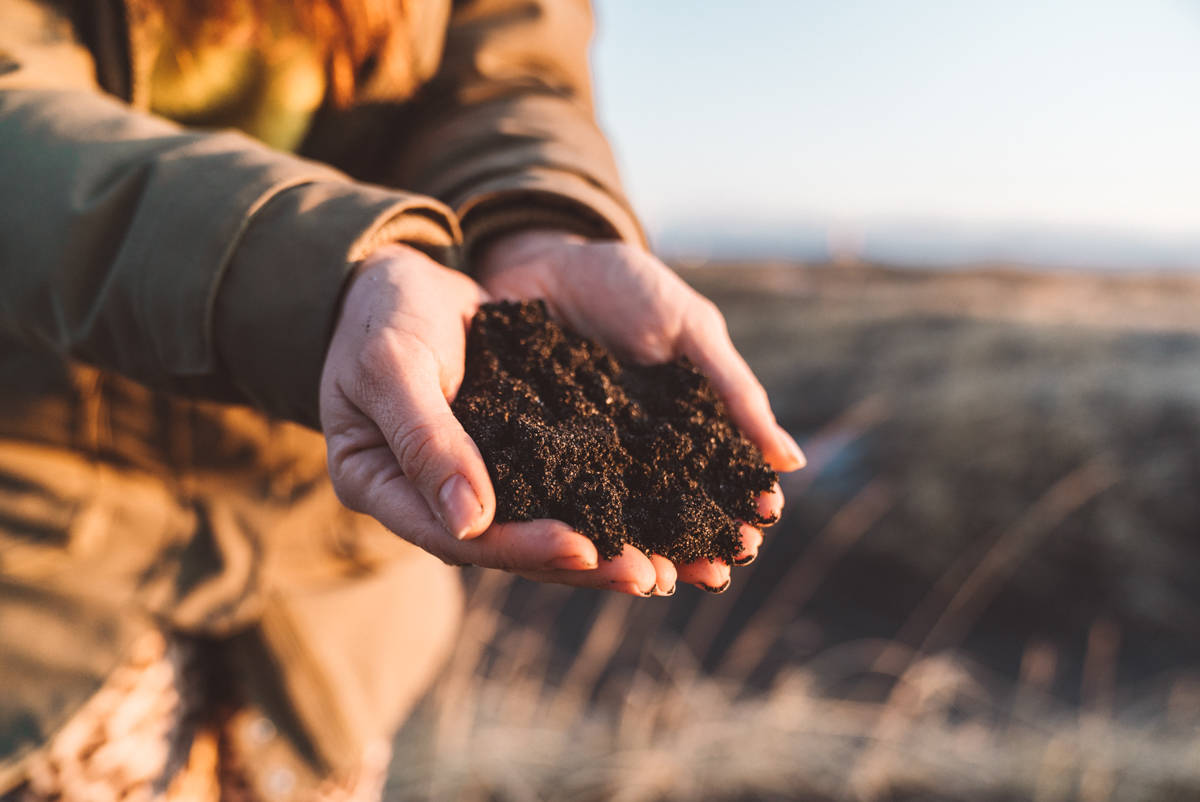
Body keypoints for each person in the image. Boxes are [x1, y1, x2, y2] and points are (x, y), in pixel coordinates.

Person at [0, 0, 807, 798]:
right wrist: (325, 277)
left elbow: (509, 77)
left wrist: (534, 221)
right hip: (42, 579)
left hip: (330, 600)